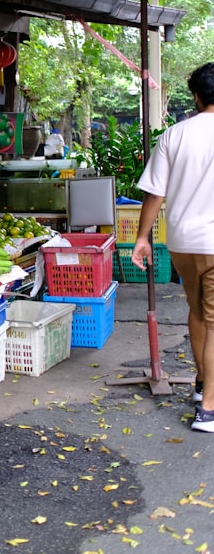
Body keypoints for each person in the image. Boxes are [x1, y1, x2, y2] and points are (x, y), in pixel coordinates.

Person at [131, 62, 214, 432]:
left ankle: (201, 385)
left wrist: (142, 238)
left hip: (182, 241)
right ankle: (210, 408)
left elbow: (155, 193)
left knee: (199, 313)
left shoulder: (174, 135)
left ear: (196, 96)